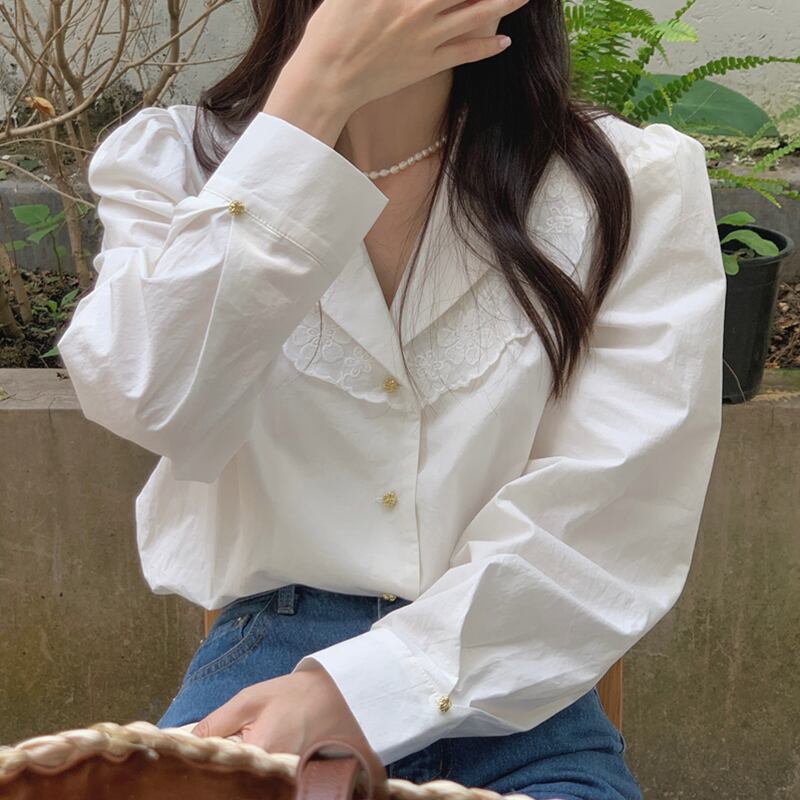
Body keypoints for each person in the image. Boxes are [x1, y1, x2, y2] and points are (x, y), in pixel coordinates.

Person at [56, 0, 727, 797]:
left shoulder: (630, 182)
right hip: (265, 669)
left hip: (518, 689)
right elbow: (150, 399)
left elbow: (608, 520)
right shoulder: (177, 164)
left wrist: (352, 692)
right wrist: (313, 97)